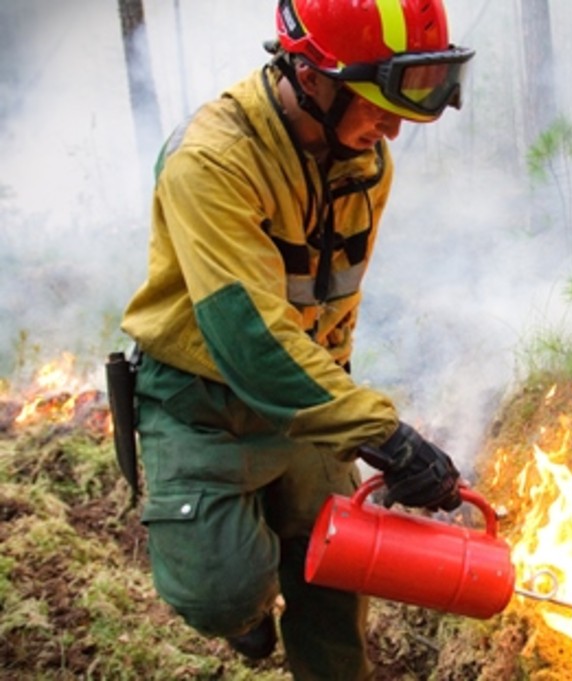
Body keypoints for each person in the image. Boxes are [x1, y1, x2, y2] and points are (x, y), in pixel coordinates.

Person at [118, 1, 474, 678]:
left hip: (305, 396)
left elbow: (331, 301)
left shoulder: (365, 159)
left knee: (334, 585)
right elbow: (249, 338)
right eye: (374, 103)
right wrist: (386, 435)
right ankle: (244, 611)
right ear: (310, 77)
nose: (393, 131)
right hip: (202, 401)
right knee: (223, 592)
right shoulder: (212, 160)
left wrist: (344, 421)